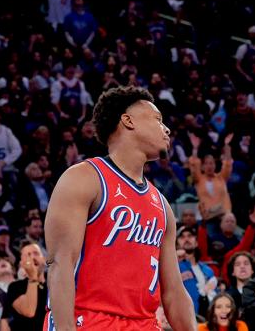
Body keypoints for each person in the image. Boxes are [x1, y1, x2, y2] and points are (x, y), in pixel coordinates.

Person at [43, 86, 196, 331]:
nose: (166, 128)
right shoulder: (85, 178)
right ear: (128, 120)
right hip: (89, 319)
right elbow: (60, 264)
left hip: (144, 324)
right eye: (157, 119)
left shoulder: (162, 205)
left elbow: (174, 292)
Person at [6, 241, 46, 331]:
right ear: (21, 263)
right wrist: (32, 278)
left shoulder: (53, 285)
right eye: (28, 255)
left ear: (44, 259)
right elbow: (29, 312)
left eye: (36, 253)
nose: (32, 257)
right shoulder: (15, 287)